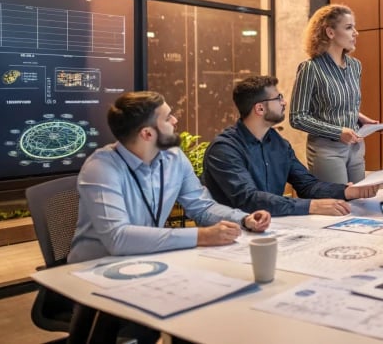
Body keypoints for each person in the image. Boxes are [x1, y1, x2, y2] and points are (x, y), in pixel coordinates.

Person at [68, 91, 271, 343]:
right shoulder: (102, 167)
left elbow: (201, 206)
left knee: (216, 306)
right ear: (147, 134)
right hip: (96, 276)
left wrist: (244, 219)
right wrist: (201, 236)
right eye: (167, 117)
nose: (175, 121)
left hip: (148, 264)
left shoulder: (173, 158)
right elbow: (118, 238)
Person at [203, 75, 380, 216]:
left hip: (274, 228)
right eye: (278, 98)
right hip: (232, 235)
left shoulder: (279, 144)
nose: (284, 102)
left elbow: (307, 185)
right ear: (260, 109)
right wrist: (311, 206)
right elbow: (249, 200)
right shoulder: (224, 149)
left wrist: (349, 191)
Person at [290, 4, 383, 184]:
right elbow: (297, 117)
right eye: (349, 27)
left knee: (361, 201)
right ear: (330, 32)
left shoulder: (355, 66)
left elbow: (340, 104)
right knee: (339, 205)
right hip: (327, 150)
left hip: (356, 147)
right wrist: (337, 132)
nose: (356, 33)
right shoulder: (310, 68)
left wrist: (362, 119)